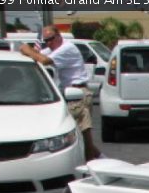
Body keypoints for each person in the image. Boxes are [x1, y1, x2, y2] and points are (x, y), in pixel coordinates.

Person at [20, 26, 101, 161]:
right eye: (46, 41)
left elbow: (44, 60)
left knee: (78, 134)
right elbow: (38, 55)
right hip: (68, 94)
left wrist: (27, 49)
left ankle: (90, 163)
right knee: (79, 135)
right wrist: (29, 50)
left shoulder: (67, 48)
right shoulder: (54, 49)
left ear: (59, 36)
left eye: (51, 39)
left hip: (77, 93)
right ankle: (101, 159)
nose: (49, 43)